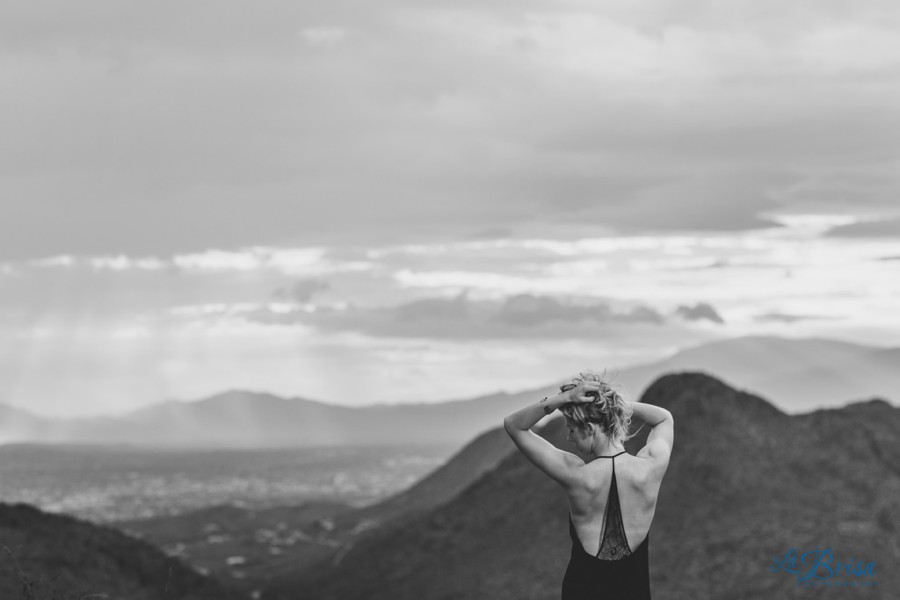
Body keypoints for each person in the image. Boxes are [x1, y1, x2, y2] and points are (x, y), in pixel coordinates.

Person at [503, 372, 674, 600]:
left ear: (590, 429)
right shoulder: (651, 466)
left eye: (572, 429)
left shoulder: (576, 475)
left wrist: (563, 399)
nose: (569, 437)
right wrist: (611, 404)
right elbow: (664, 418)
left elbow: (514, 425)